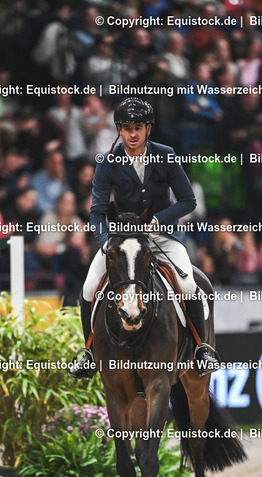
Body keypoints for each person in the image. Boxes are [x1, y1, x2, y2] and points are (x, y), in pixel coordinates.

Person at [70, 97, 220, 379]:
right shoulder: (108, 162)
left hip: (162, 235)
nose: (132, 134)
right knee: (89, 287)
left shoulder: (166, 155)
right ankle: (89, 354)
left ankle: (201, 349)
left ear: (148, 129)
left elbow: (188, 201)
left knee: (188, 285)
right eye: (127, 128)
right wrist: (105, 242)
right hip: (123, 240)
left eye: (138, 127)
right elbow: (97, 212)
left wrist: (158, 220)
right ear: (119, 129)